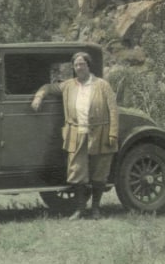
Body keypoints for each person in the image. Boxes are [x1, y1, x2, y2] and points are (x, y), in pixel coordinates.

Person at [29, 51, 119, 219]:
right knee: (77, 172)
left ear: (88, 65)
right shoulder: (68, 85)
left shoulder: (102, 85)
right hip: (76, 134)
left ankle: (95, 209)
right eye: (76, 65)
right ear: (73, 67)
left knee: (99, 172)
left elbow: (113, 110)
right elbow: (47, 87)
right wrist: (38, 97)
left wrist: (112, 134)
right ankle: (80, 209)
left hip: (100, 133)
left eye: (82, 64)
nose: (79, 67)